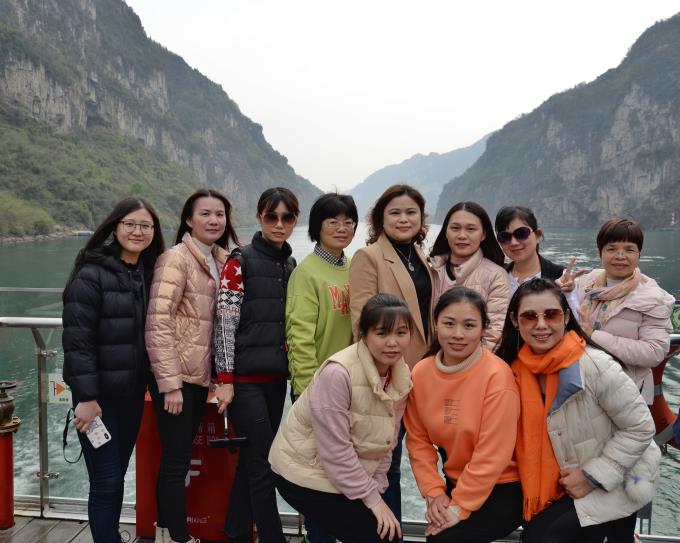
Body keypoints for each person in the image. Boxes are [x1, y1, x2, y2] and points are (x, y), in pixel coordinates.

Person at [495, 278, 661, 543]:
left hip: (617, 475)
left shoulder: (595, 365)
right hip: (568, 475)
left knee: (542, 537)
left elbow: (640, 427)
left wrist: (591, 477)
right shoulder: (514, 369)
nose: (541, 325)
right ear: (515, 320)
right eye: (529, 316)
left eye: (551, 314)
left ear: (565, 317)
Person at [270, 293, 413, 543]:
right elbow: (335, 450)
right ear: (363, 334)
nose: (393, 342)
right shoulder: (337, 374)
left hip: (339, 471)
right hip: (302, 474)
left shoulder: (400, 374)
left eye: (401, 332)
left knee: (386, 532)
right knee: (380, 537)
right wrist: (373, 500)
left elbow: (388, 441)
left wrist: (377, 489)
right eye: (382, 333)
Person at [62, 197, 165, 543]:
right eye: (130, 224)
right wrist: (86, 397)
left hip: (131, 397)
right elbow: (78, 341)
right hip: (98, 401)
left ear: (154, 231)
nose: (138, 231)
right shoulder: (92, 273)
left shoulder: (149, 273)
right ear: (115, 226)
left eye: (146, 226)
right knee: (106, 482)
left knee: (116, 476)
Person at [146, 189, 238, 543]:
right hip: (179, 377)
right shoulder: (175, 259)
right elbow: (158, 322)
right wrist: (170, 384)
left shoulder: (221, 259)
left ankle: (165, 531)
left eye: (219, 214)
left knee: (177, 456)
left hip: (199, 377)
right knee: (176, 459)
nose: (214, 220)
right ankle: (178, 537)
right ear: (188, 219)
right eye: (205, 214)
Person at [213, 187, 299, 543]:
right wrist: (225, 379)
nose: (279, 224)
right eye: (271, 216)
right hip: (245, 381)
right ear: (260, 217)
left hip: (275, 380)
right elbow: (224, 323)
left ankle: (235, 531)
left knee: (253, 459)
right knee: (265, 464)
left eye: (287, 217)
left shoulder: (290, 265)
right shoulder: (240, 261)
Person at [349, 184, 434, 536]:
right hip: (387, 378)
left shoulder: (420, 256)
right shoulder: (368, 257)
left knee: (409, 457)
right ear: (380, 218)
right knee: (385, 465)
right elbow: (362, 321)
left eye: (411, 212)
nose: (403, 219)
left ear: (421, 219)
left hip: (422, 375)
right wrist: (385, 372)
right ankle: (384, 534)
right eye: (395, 212)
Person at [404, 287, 522, 542]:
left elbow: (493, 455)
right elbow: (417, 440)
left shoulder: (496, 376)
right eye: (449, 323)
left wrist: (459, 507)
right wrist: (434, 493)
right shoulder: (421, 373)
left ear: (483, 329)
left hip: (502, 486)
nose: (458, 334)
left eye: (469, 325)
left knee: (443, 539)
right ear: (435, 324)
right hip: (455, 482)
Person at [286, 192, 358, 543]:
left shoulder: (355, 267)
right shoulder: (306, 273)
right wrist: (307, 391)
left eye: (348, 221)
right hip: (318, 390)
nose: (342, 228)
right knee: (320, 478)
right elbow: (299, 335)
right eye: (333, 221)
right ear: (317, 226)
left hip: (353, 389)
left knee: (346, 472)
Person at [576, 217, 675, 405]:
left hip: (628, 395)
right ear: (599, 252)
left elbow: (654, 352)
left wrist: (594, 336)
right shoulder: (587, 284)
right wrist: (562, 292)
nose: (620, 256)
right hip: (585, 388)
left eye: (629, 249)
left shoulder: (652, 297)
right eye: (611, 249)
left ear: (639, 254)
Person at [430, 201, 509, 348]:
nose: (462, 235)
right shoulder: (430, 268)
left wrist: (468, 361)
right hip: (427, 358)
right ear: (445, 232)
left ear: (483, 234)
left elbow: (494, 334)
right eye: (455, 228)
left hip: (475, 359)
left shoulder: (496, 275)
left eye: (471, 229)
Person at [494, 206, 583, 298]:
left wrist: (567, 293)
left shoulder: (560, 276)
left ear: (537, 235)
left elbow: (574, 306)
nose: (514, 242)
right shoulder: (497, 277)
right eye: (504, 237)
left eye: (521, 233)